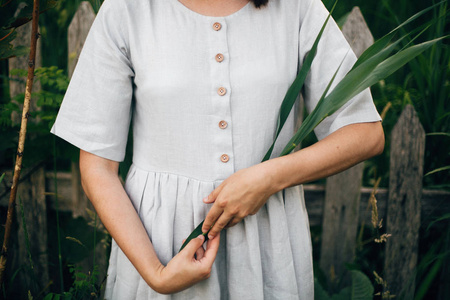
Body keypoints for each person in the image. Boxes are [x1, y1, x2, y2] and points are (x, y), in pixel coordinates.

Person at [51, 0, 384, 298]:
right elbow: (97, 168)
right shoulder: (127, 9)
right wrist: (157, 275)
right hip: (159, 247)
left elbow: (365, 132)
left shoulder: (297, 8)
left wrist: (270, 177)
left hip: (267, 245)